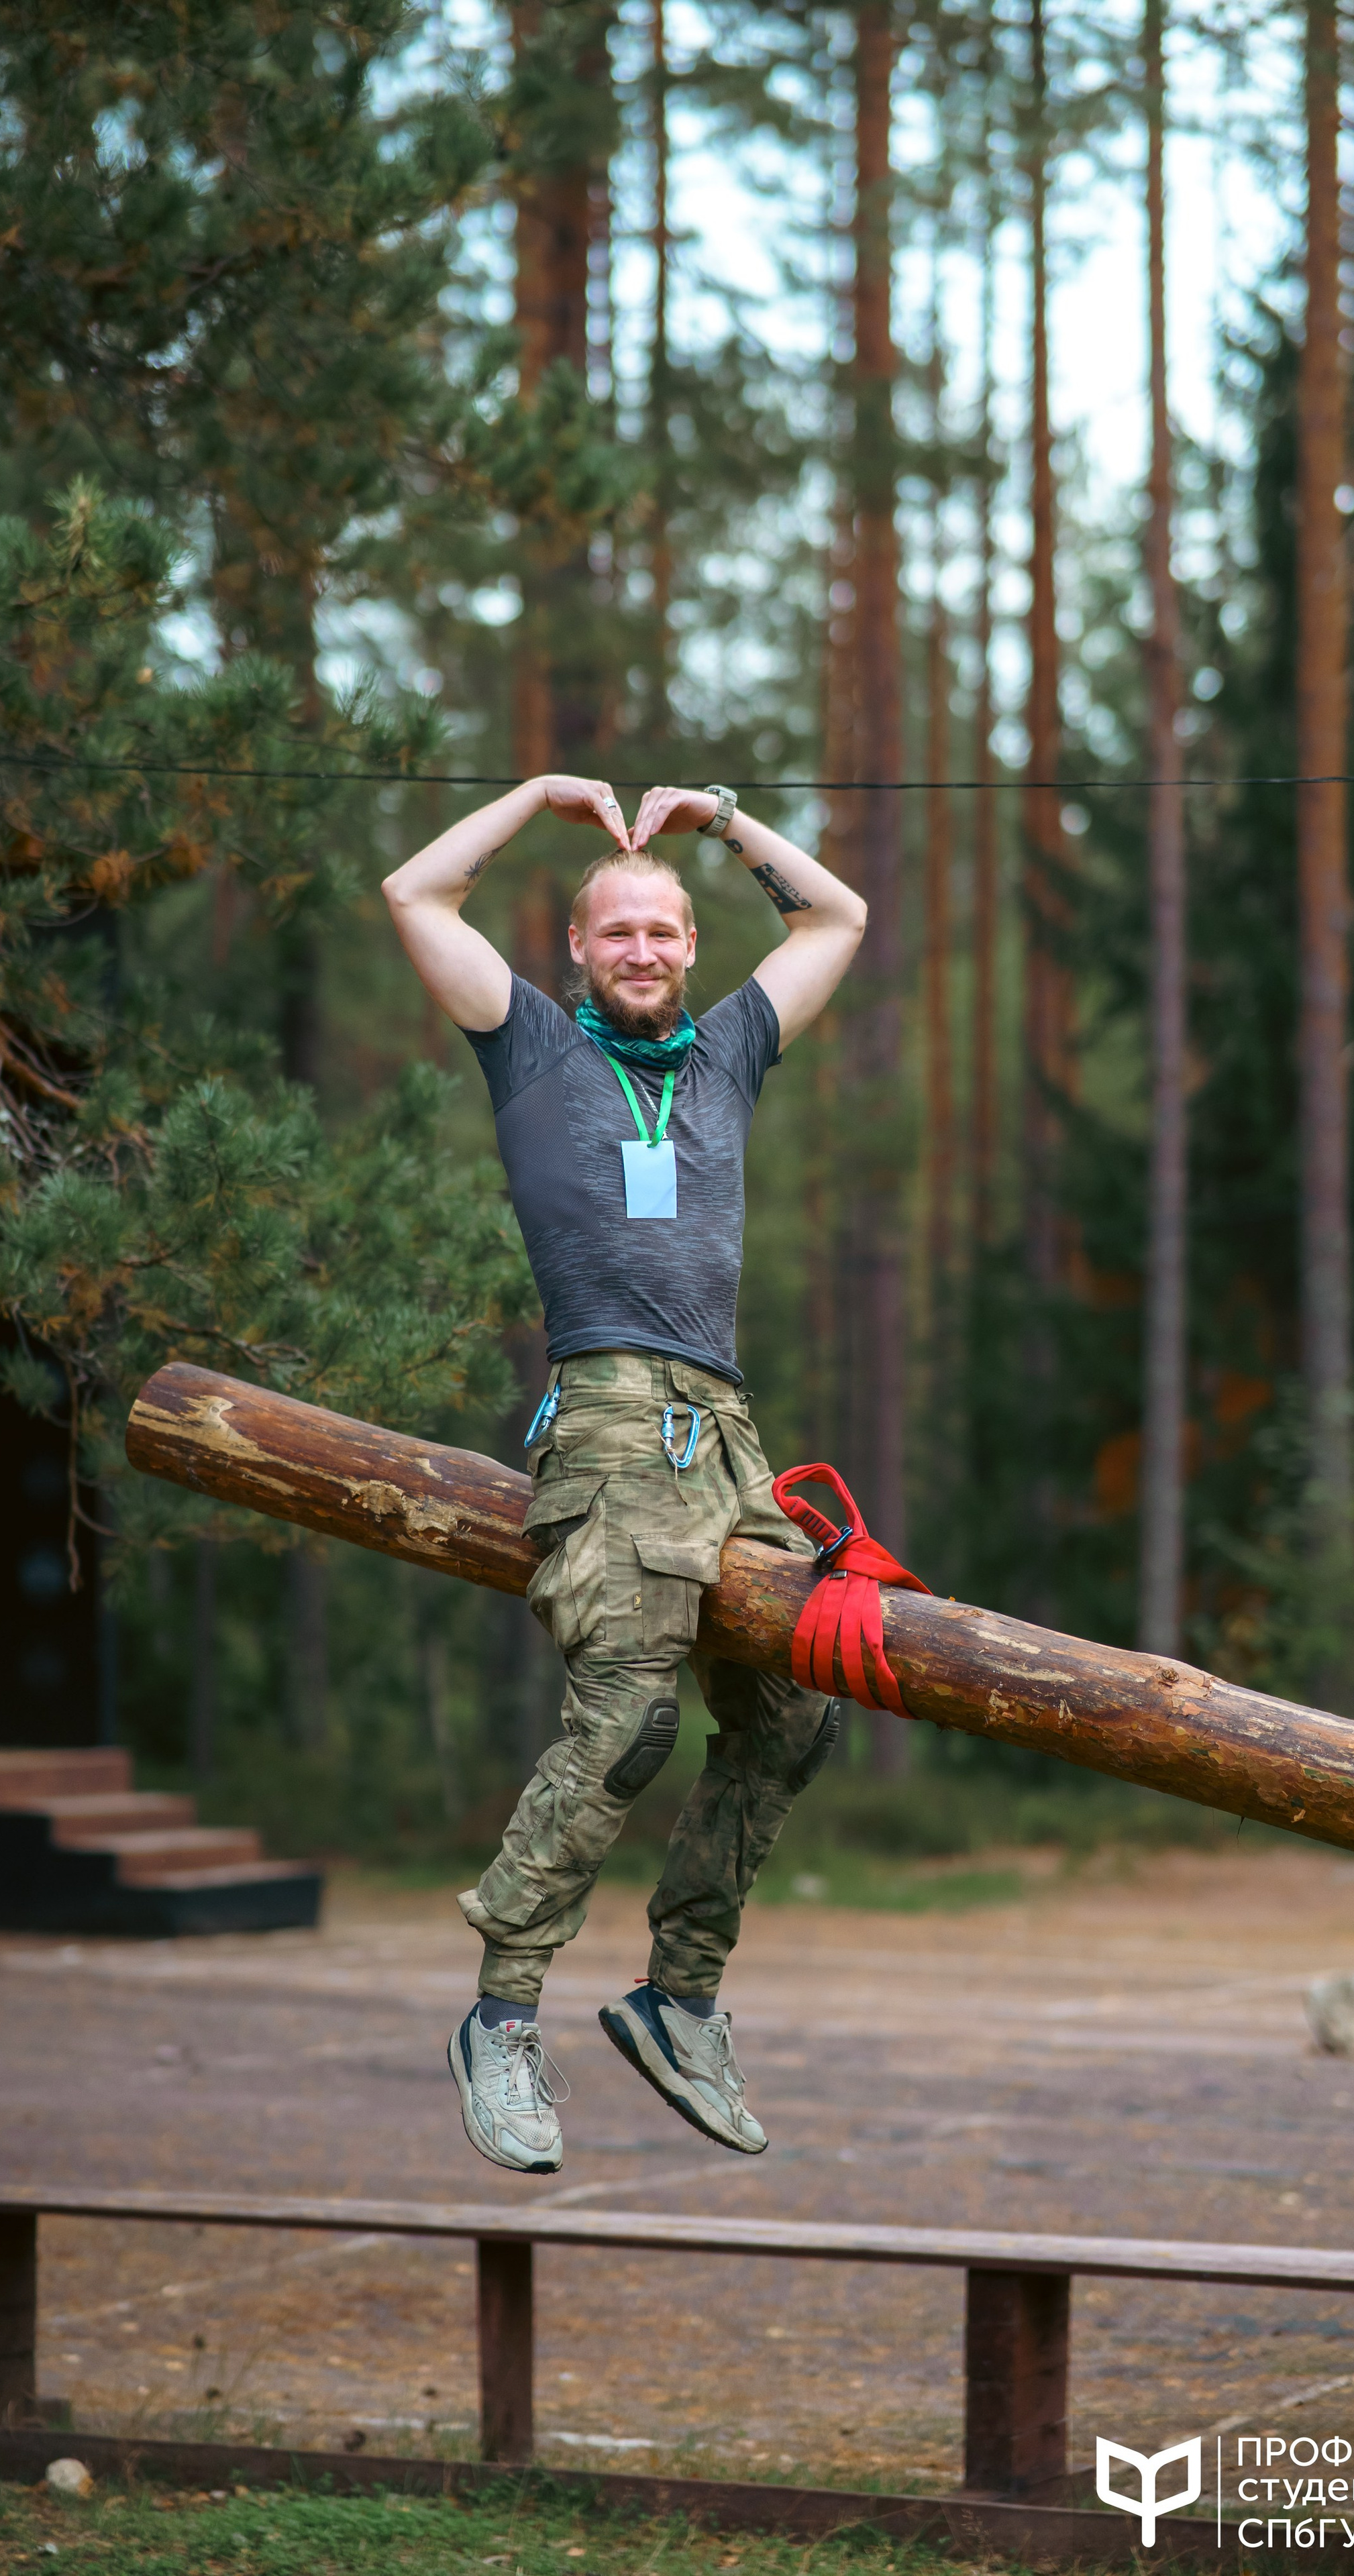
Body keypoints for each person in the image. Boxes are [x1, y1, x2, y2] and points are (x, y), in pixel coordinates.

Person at [381, 773, 867, 2174]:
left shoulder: (725, 1055)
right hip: (606, 1418)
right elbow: (415, 894)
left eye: (662, 932)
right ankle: (500, 2021)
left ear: (689, 948)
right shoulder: (528, 1045)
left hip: (728, 1439)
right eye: (616, 934)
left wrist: (719, 825)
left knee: (792, 1719)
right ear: (577, 950)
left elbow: (837, 914)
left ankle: (679, 1999)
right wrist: (536, 799)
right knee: (625, 1724)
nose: (642, 951)